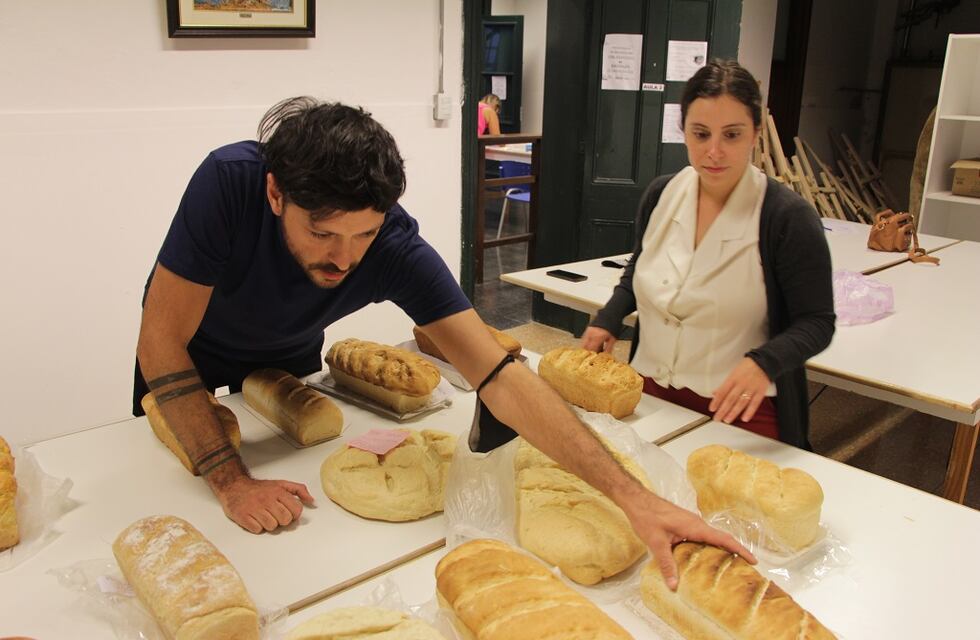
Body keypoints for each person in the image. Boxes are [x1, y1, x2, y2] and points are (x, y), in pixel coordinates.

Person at [135, 96, 753, 587]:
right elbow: (161, 339)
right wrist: (234, 483)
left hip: (286, 358)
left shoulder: (394, 248)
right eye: (323, 234)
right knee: (157, 493)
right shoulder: (230, 184)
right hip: (190, 360)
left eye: (364, 235)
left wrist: (633, 498)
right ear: (276, 195)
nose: (344, 259)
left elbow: (501, 374)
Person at [583, 60, 835, 450]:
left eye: (731, 135)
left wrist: (766, 360)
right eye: (701, 134)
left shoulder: (785, 218)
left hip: (739, 409)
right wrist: (609, 318)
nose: (713, 151)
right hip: (650, 393)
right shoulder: (661, 195)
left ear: (755, 134)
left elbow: (817, 322)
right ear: (683, 132)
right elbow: (639, 270)